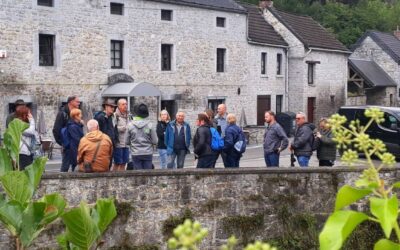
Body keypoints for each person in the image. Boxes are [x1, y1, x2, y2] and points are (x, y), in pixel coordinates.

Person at [53, 96, 80, 172]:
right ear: (71, 102)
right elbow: (56, 130)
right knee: (65, 166)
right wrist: (62, 143)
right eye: (77, 101)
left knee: (76, 165)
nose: (79, 103)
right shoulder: (62, 113)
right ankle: (62, 183)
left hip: (75, 144)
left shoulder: (76, 112)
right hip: (67, 145)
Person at [127, 103, 157, 170]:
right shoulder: (150, 125)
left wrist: (133, 143)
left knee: (137, 174)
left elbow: (126, 141)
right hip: (147, 152)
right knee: (148, 173)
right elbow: (155, 141)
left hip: (135, 152)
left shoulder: (130, 125)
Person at [113, 98, 129, 171]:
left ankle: (122, 179)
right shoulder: (115, 116)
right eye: (123, 104)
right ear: (118, 106)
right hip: (118, 144)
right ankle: (114, 179)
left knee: (124, 163)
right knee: (118, 163)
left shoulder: (129, 115)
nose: (125, 106)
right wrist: (124, 128)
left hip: (127, 144)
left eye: (126, 104)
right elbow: (113, 129)